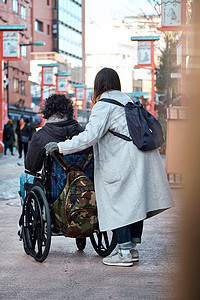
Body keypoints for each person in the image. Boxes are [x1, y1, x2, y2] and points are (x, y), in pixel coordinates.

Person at [45, 67, 174, 267]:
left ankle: (123, 253)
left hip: (123, 160)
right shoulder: (127, 99)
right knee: (134, 203)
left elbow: (90, 136)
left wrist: (61, 147)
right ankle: (131, 248)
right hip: (143, 157)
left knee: (120, 203)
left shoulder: (104, 105)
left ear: (98, 85)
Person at [19, 93, 84, 206]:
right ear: (69, 111)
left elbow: (31, 167)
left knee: (24, 177)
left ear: (47, 112)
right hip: (82, 189)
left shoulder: (41, 136)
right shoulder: (83, 133)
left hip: (54, 192)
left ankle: (27, 210)